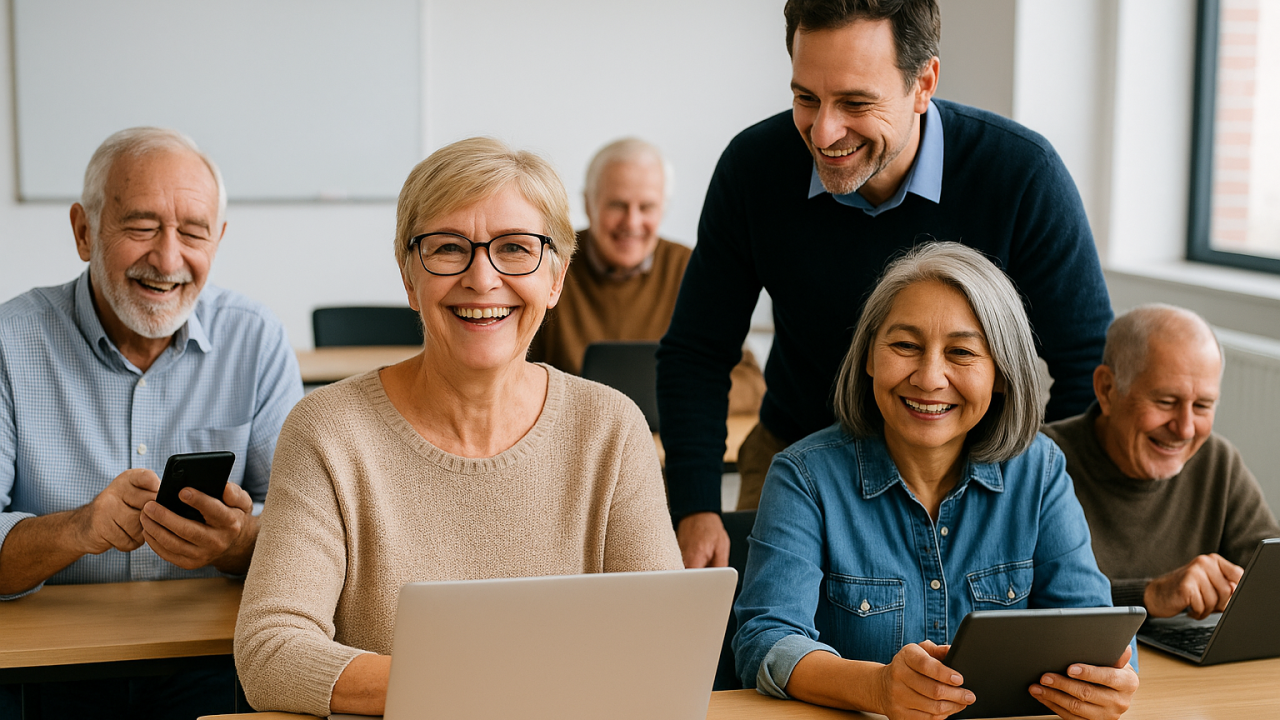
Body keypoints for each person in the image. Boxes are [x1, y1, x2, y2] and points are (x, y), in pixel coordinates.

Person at [234, 137, 683, 717]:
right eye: (448, 248)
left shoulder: (612, 428)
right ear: (407, 275)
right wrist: (480, 688)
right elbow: (272, 652)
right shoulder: (327, 431)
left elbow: (662, 643)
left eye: (516, 249)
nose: (481, 277)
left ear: (555, 278)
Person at [658, 0, 1113, 568]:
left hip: (966, 478)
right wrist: (696, 505)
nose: (823, 132)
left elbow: (1088, 362)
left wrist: (1027, 491)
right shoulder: (754, 168)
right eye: (806, 98)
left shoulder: (1021, 174)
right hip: (795, 455)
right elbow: (697, 352)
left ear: (923, 84)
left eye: (855, 102)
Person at [732, 243, 1136, 720]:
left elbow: (1098, 631)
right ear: (868, 358)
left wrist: (1110, 681)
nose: (928, 378)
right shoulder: (803, 476)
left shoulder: (1041, 470)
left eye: (961, 352)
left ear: (1002, 375)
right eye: (905, 346)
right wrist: (876, 688)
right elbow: (766, 641)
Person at [0, 128, 302, 717]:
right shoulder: (9, 344)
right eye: (141, 226)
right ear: (84, 232)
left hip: (212, 660)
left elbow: (307, 530)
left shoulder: (256, 339)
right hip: (46, 667)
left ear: (217, 238)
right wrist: (80, 530)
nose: (167, 259)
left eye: (192, 232)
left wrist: (238, 543)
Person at [1043, 304, 1280, 619]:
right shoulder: (1038, 464)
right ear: (1107, 389)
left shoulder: (1217, 462)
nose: (1185, 428)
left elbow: (1269, 577)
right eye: (1166, 402)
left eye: (1203, 406)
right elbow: (1022, 604)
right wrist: (1149, 595)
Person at [527, 137, 765, 416]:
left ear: (663, 208)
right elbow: (512, 376)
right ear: (588, 203)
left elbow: (751, 384)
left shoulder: (691, 267)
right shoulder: (547, 265)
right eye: (617, 205)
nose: (632, 222)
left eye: (647, 207)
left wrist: (671, 394)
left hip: (665, 449)